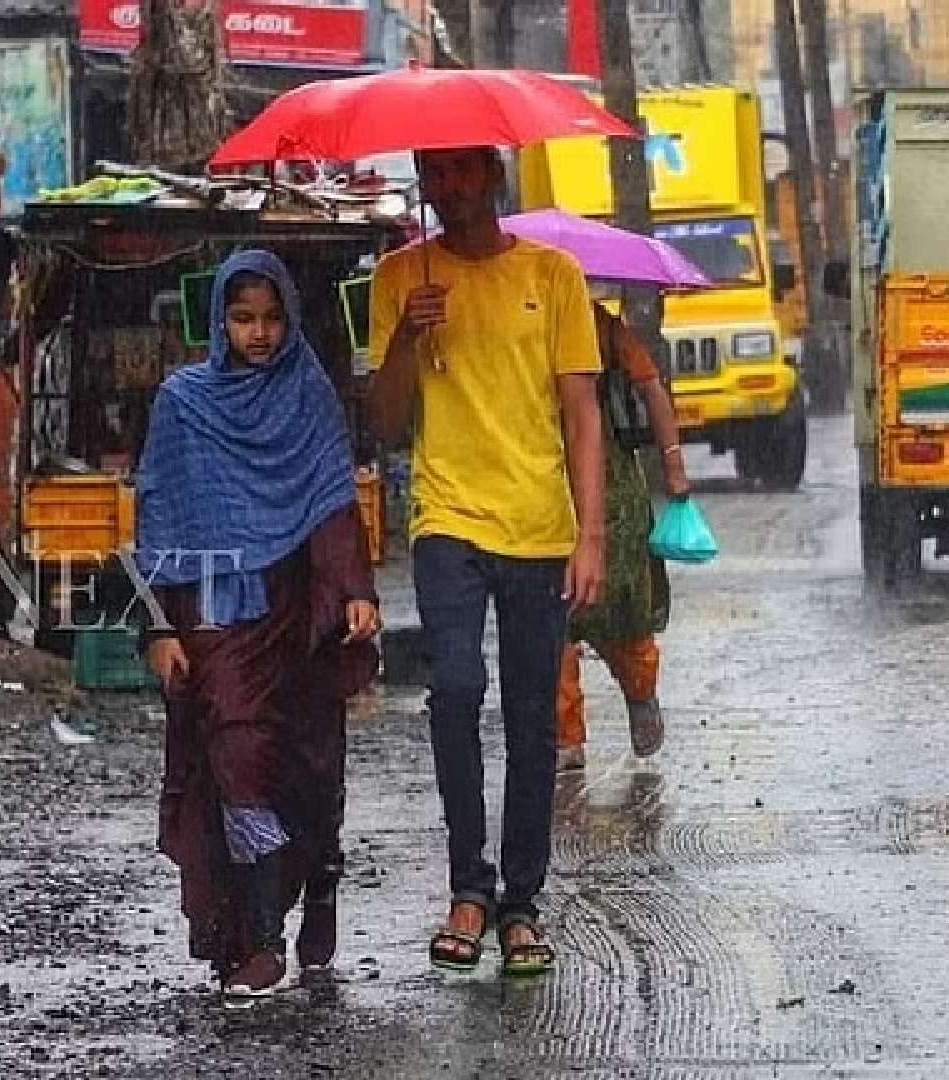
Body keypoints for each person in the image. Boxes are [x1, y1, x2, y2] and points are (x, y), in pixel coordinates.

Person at [366, 146, 605, 978]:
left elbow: (581, 413)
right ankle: (469, 884)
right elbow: (388, 423)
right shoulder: (399, 277)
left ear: (495, 180)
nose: (453, 189)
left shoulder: (556, 274)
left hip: (539, 526)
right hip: (447, 519)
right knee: (457, 685)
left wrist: (593, 535)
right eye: (437, 174)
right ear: (424, 184)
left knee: (533, 716)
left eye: (468, 172)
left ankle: (520, 905)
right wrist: (405, 335)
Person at [136, 250, 382, 1004]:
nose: (260, 333)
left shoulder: (307, 393)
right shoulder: (183, 403)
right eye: (243, 317)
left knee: (307, 766)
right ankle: (258, 939)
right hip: (215, 613)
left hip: (299, 610)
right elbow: (158, 514)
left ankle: (321, 882)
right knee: (237, 758)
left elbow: (332, 499)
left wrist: (354, 592)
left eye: (272, 317)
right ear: (217, 321)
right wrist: (156, 628)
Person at [556, 301, 694, 772]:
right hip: (543, 485)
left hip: (615, 493)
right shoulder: (516, 323)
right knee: (554, 621)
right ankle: (566, 736)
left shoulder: (602, 327)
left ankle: (640, 693)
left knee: (627, 607)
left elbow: (651, 387)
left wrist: (673, 463)